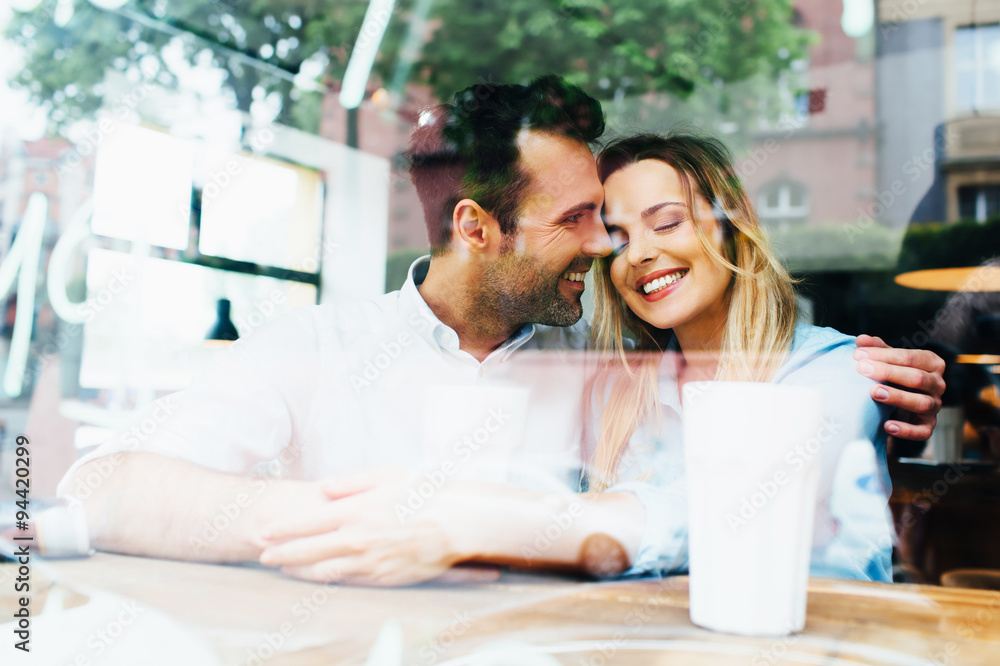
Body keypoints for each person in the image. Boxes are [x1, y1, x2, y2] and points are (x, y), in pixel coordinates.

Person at [58, 76, 944, 586]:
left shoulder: (612, 369)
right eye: (593, 222)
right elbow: (100, 487)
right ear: (477, 229)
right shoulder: (317, 348)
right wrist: (325, 518)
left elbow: (715, 507)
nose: (610, 250)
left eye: (646, 221)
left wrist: (461, 520)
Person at [586, 133, 910, 580]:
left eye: (666, 223)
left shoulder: (836, 371)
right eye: (618, 239)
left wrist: (559, 525)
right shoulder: (617, 395)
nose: (638, 253)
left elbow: (738, 508)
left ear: (732, 227)